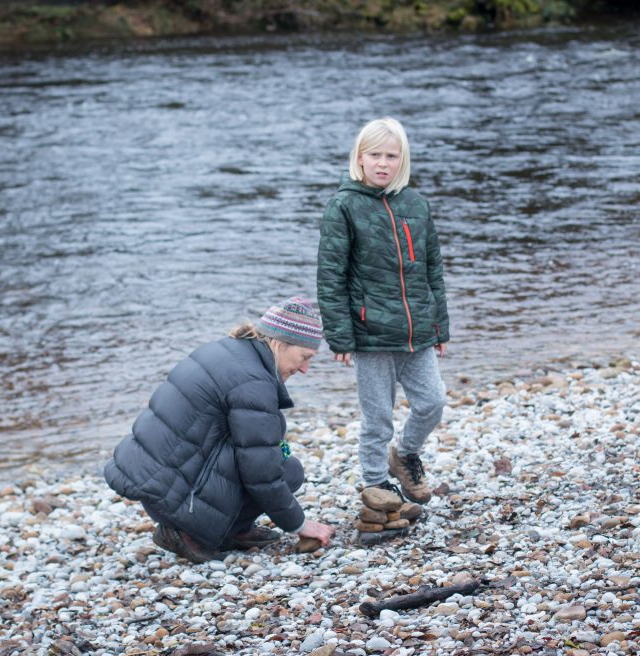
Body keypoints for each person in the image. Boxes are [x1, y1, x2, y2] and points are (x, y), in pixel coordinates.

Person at [104, 297, 334, 563]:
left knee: (269, 454)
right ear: (279, 343)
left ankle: (230, 530)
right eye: (304, 357)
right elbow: (262, 473)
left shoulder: (229, 350)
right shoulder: (253, 381)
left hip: (156, 485)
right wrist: (299, 524)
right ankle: (189, 533)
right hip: (173, 501)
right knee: (288, 470)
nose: (305, 368)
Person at [317, 117, 450, 506]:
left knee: (433, 402)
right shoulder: (343, 207)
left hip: (417, 333)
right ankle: (375, 484)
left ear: (402, 160)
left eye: (391, 156)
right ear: (359, 158)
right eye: (374, 155)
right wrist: (339, 335)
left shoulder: (416, 205)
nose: (382, 163)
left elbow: (433, 269)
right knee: (377, 417)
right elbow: (331, 275)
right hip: (370, 333)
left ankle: (405, 454)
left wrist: (438, 325)